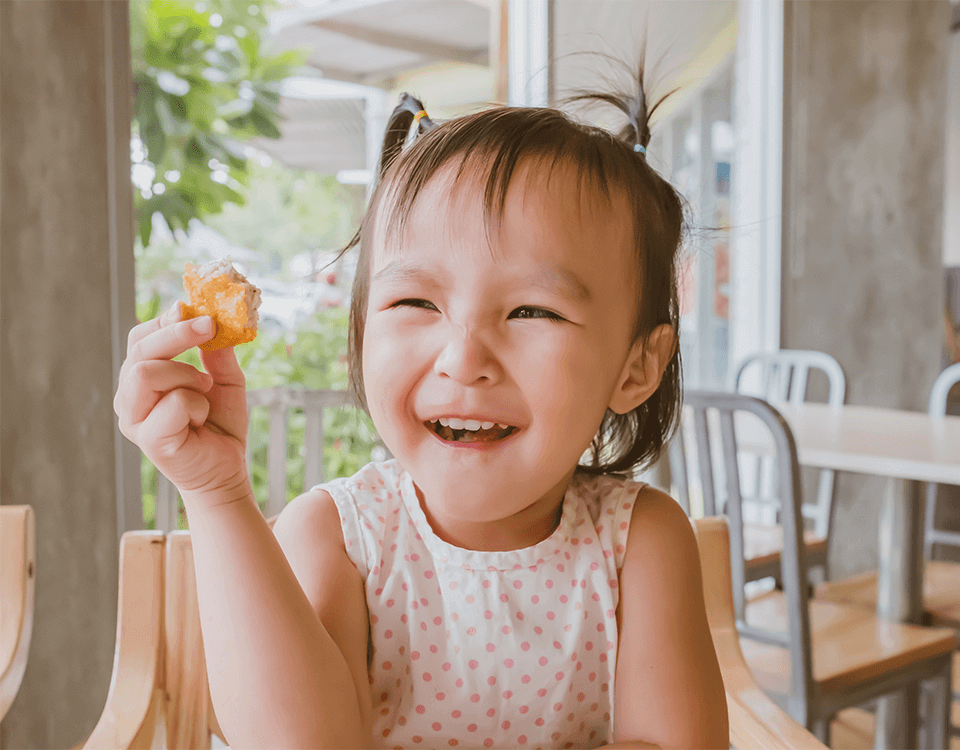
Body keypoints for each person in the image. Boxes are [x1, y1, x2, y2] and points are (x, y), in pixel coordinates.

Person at [113, 70, 728, 750]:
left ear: (637, 366)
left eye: (532, 310)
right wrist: (217, 492)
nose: (463, 358)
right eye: (415, 303)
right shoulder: (341, 536)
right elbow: (297, 741)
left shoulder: (638, 542)